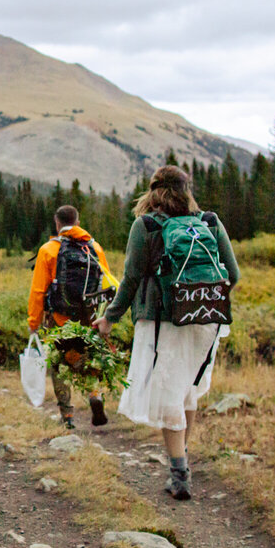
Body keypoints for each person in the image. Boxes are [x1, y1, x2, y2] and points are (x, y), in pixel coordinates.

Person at [95, 165, 239, 499]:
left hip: (163, 322)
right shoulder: (210, 222)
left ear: (153, 191)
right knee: (188, 390)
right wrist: (204, 299)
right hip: (207, 319)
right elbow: (232, 273)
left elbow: (130, 280)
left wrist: (109, 318)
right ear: (186, 190)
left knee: (170, 394)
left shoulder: (144, 226)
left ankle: (179, 474)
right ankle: (183, 459)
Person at [28, 204, 117, 429]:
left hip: (59, 319)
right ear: (77, 222)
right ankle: (94, 394)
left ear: (57, 224)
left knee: (59, 365)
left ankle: (67, 416)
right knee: (85, 359)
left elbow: (38, 290)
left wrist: (34, 322)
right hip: (89, 317)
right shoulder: (94, 247)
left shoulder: (49, 249)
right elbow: (105, 284)